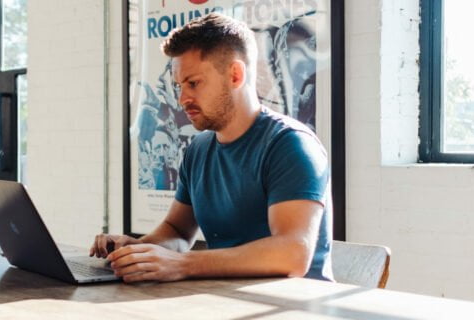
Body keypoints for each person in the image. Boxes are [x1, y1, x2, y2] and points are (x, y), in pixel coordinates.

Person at [90, 13, 333, 282]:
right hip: (222, 299)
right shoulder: (199, 150)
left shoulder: (291, 145)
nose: (182, 99)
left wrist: (182, 264)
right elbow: (177, 232)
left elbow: (292, 254)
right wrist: (137, 251)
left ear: (235, 75)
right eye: (179, 86)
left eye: (193, 83)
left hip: (291, 307)